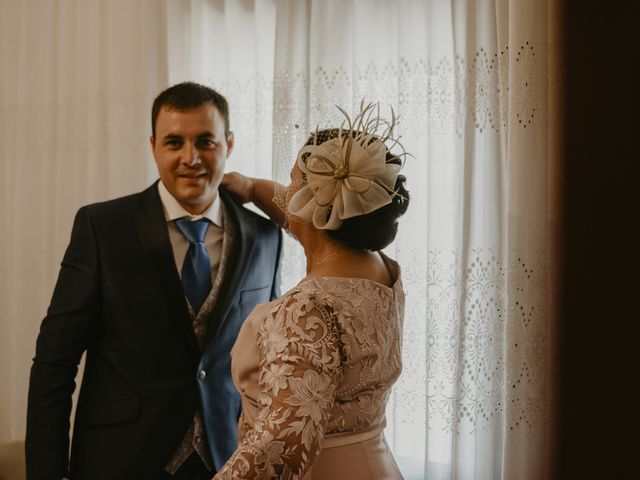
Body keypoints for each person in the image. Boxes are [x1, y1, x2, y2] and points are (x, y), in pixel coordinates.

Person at [25, 82, 282, 480]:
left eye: (206, 142)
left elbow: (266, 366)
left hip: (228, 461)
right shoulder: (102, 227)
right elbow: (54, 363)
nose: (190, 158)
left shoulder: (265, 238)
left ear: (229, 143)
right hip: (119, 461)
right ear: (153, 146)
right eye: (174, 142)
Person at [216, 101, 410, 479]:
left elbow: (280, 448)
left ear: (315, 206)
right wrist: (253, 188)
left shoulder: (306, 308)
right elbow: (312, 222)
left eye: (292, 182)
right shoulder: (381, 269)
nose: (287, 193)